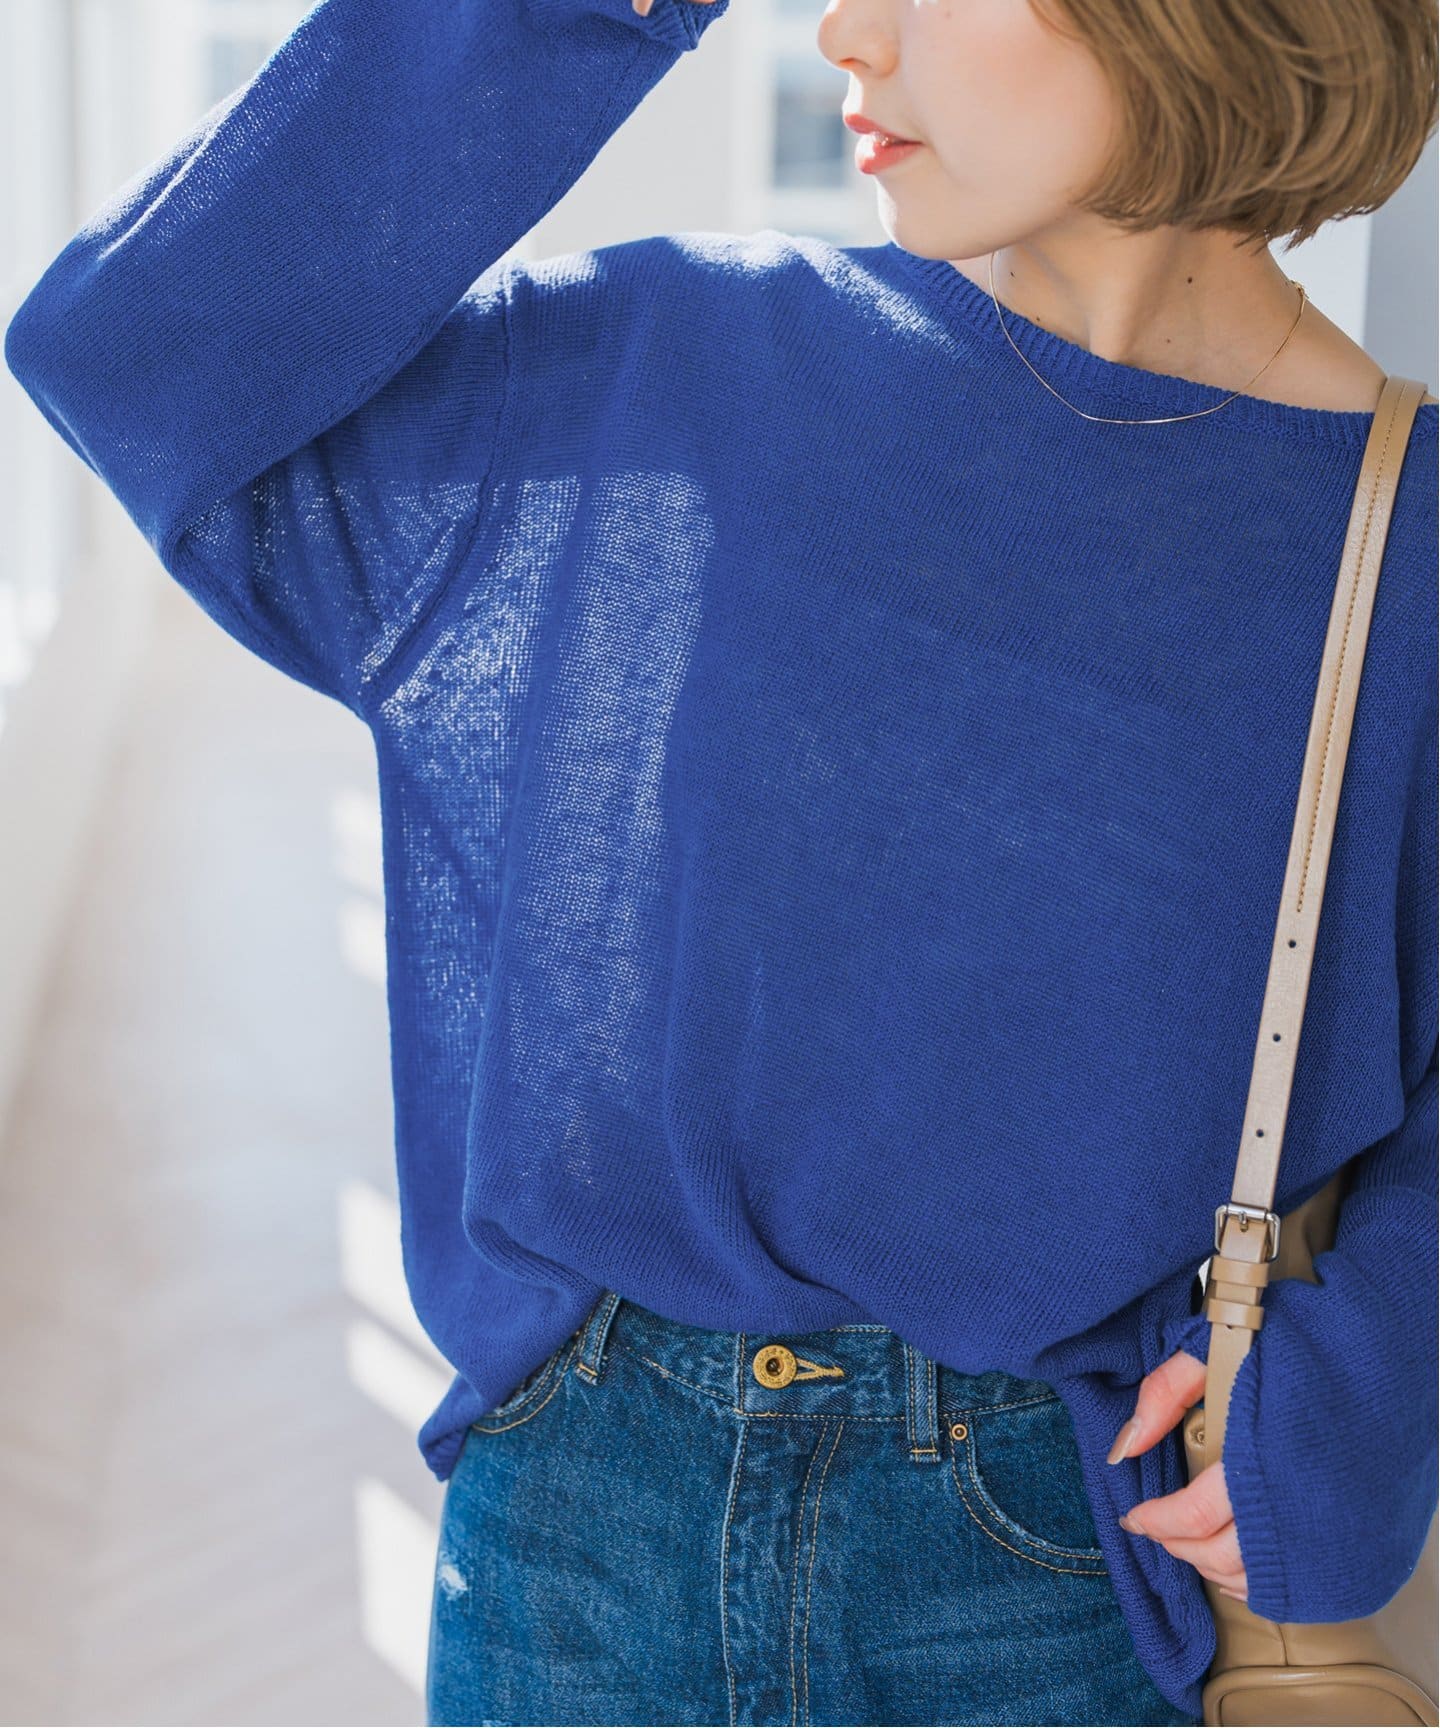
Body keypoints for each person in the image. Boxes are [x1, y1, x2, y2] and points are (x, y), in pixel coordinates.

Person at [5, 0, 1436, 1722]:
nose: (848, 31)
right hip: (579, 1518)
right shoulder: (685, 358)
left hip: (1047, 1556)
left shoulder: (1406, 543)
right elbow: (135, 356)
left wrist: (1350, 1398)